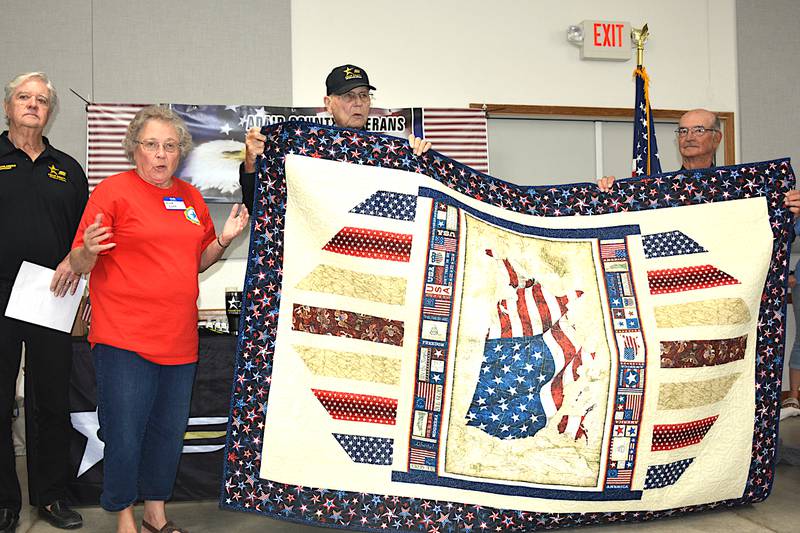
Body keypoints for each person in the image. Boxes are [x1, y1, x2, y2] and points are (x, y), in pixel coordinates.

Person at [68, 106, 249, 533]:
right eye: (151, 145)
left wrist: (223, 240)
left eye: (170, 146)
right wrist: (89, 250)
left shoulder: (189, 198)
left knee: (168, 434)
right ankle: (124, 517)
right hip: (123, 338)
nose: (161, 154)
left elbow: (198, 262)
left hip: (179, 340)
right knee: (125, 432)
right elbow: (77, 261)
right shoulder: (111, 192)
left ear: (180, 152)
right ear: (135, 149)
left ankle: (155, 515)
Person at [0, 72, 86, 532]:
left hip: (51, 296)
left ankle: (50, 497)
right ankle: (4, 501)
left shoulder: (67, 168)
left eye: (41, 100)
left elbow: (83, 236)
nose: (33, 105)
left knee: (50, 399)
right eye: (23, 98)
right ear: (8, 106)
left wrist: (76, 264)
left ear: (50, 110)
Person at [239, 64, 432, 212]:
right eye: (349, 96)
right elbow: (257, 205)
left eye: (364, 95)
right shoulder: (304, 151)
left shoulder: (389, 153)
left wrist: (420, 162)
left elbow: (415, 206)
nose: (358, 103)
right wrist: (251, 163)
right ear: (329, 103)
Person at [596, 108, 800, 212]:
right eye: (683, 131)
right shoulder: (659, 190)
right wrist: (607, 193)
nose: (689, 137)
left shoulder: (741, 190)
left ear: (717, 138)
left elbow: (770, 232)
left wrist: (789, 209)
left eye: (699, 130)